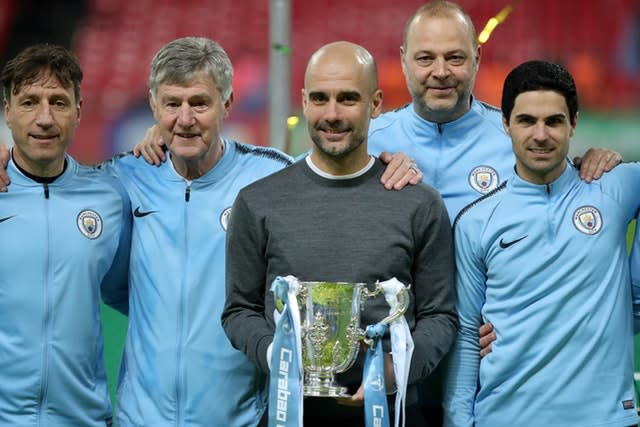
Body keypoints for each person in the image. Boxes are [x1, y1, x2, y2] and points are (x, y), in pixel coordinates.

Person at [366, 2, 623, 423]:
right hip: (388, 376)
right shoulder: (368, 145)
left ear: (477, 58)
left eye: (455, 57)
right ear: (403, 60)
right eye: (426, 57)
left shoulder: (520, 137)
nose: (441, 71)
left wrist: (598, 159)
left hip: (484, 377)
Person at [221, 41, 457, 426]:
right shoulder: (257, 202)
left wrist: (396, 369)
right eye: (320, 98)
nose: (332, 114)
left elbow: (440, 316)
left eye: (348, 99)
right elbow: (239, 310)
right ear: (304, 101)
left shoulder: (419, 204)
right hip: (291, 413)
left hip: (391, 411)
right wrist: (279, 358)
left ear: (376, 104)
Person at [442, 60, 640, 427]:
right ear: (505, 124)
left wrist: (636, 292)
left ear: (574, 123)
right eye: (526, 121)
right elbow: (468, 336)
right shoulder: (475, 221)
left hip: (606, 420)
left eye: (553, 121)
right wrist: (458, 421)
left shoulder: (615, 187)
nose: (541, 135)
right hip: (504, 419)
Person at [0, 44, 131, 426]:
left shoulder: (112, 196)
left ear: (78, 111)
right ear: (7, 111)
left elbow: (136, 294)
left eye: (58, 101)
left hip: (82, 418)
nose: (44, 118)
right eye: (29, 102)